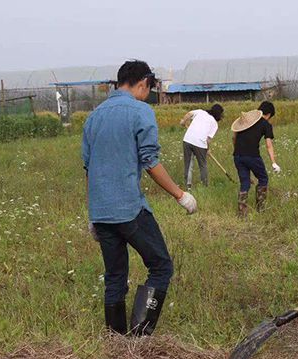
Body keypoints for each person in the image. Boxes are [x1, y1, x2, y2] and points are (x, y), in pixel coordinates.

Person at [82, 60, 197, 337]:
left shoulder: (94, 117)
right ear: (143, 83)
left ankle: (116, 341)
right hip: (129, 209)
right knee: (161, 266)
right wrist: (180, 195)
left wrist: (93, 214)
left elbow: (89, 167)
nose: (149, 94)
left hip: (102, 211)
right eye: (149, 88)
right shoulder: (140, 111)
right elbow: (150, 162)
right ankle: (140, 337)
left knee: (115, 277)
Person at [231, 101, 281, 217]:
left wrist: (238, 151)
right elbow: (269, 145)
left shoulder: (246, 121)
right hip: (252, 156)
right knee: (263, 179)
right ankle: (261, 209)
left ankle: (242, 213)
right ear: (269, 114)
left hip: (238, 156)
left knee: (245, 183)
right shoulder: (266, 124)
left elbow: (234, 138)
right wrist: (274, 162)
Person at [180, 104, 224, 189]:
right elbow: (208, 140)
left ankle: (188, 186)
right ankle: (205, 185)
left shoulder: (200, 112)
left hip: (188, 140)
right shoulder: (214, 124)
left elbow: (189, 114)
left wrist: (183, 121)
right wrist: (207, 149)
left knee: (188, 164)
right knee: (202, 165)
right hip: (200, 144)